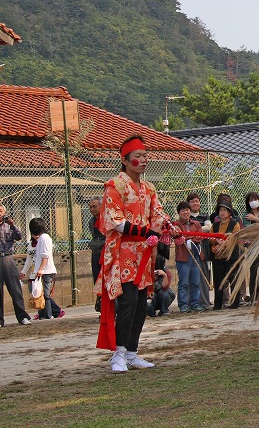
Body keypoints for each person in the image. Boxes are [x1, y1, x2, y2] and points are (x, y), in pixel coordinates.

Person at [95, 135, 174, 372]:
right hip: (122, 253)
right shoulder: (114, 186)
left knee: (141, 303)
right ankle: (118, 354)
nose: (143, 160)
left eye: (145, 156)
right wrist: (146, 230)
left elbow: (158, 213)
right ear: (125, 160)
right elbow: (116, 221)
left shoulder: (149, 188)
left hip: (144, 253)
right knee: (128, 301)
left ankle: (131, 352)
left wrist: (167, 225)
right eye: (137, 156)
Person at [0, 203, 32, 327]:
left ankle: (22, 317)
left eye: (1, 211)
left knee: (15, 289)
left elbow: (19, 237)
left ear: (4, 213)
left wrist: (12, 224)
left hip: (8, 258)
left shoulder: (10, 226)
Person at [20, 218, 58, 319]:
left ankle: (48, 315)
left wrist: (41, 269)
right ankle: (43, 314)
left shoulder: (44, 238)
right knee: (39, 293)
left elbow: (45, 256)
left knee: (45, 294)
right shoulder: (40, 239)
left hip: (46, 270)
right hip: (41, 270)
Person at [210, 199, 241, 310]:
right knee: (218, 280)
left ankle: (234, 302)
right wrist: (216, 244)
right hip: (218, 256)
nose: (222, 212)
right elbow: (211, 237)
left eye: (225, 210)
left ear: (229, 212)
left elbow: (234, 237)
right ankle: (217, 304)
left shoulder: (235, 224)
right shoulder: (215, 225)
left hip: (231, 255)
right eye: (220, 210)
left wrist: (222, 244)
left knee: (233, 279)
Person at [173, 201, 204, 313]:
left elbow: (200, 237)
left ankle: (195, 303)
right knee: (183, 283)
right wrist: (189, 237)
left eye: (187, 210)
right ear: (179, 213)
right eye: (183, 210)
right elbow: (176, 237)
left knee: (195, 282)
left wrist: (187, 238)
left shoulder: (196, 224)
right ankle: (183, 305)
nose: (185, 212)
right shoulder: (176, 225)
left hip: (196, 255)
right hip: (183, 257)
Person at [187, 192, 212, 310]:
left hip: (203, 247)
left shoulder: (205, 216)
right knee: (189, 275)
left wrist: (194, 229)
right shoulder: (186, 216)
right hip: (189, 248)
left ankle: (204, 302)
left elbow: (209, 227)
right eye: (192, 201)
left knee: (203, 274)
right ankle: (190, 302)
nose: (195, 203)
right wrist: (199, 230)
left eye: (197, 201)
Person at [243, 191, 259, 303]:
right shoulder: (246, 215)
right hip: (253, 247)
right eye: (250, 200)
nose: (253, 202)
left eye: (255, 199)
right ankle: (254, 296)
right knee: (254, 271)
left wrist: (256, 220)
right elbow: (249, 230)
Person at [88, 195, 106, 312]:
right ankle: (102, 307)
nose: (92, 209)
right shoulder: (91, 221)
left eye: (95, 206)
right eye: (90, 207)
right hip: (96, 252)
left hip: (106, 252)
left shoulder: (107, 218)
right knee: (97, 280)